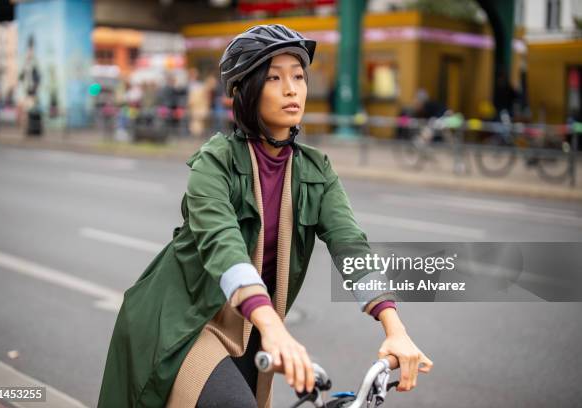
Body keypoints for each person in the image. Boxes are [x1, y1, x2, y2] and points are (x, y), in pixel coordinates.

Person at [97, 24, 432, 408]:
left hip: (252, 329)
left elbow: (350, 244)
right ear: (247, 92)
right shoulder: (216, 161)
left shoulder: (315, 169)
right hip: (183, 324)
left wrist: (394, 326)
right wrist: (273, 325)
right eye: (274, 77)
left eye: (299, 76)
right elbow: (224, 246)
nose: (292, 88)